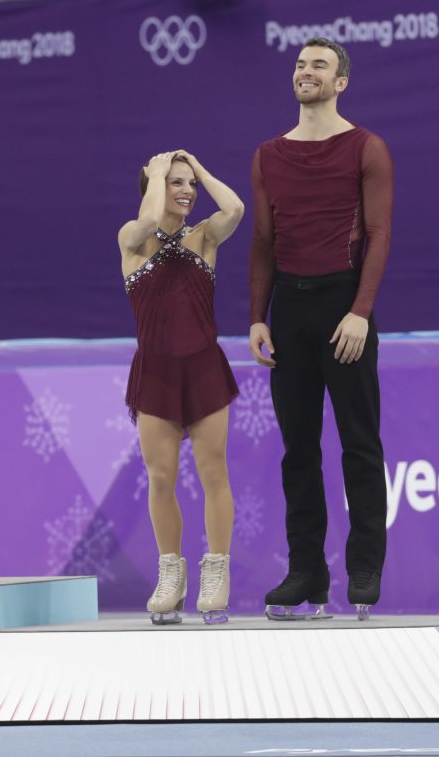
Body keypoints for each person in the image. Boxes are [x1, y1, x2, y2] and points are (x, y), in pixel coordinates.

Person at [248, 38, 393, 621]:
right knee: (298, 452)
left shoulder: (367, 147)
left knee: (360, 444)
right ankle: (306, 570)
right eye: (302, 64)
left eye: (320, 66)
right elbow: (263, 243)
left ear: (341, 83)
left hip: (344, 304)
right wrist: (258, 316)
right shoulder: (267, 155)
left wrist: (359, 311)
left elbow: (379, 234)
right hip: (289, 310)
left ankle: (365, 565)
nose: (307, 72)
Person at [119, 150, 245, 625]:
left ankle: (217, 572)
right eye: (176, 183)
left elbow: (234, 209)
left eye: (189, 184)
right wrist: (155, 176)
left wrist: (201, 168)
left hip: (204, 370)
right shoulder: (132, 241)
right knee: (161, 477)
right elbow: (149, 219)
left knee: (214, 473)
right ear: (152, 184)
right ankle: (171, 574)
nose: (186, 191)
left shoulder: (204, 237)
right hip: (155, 375)